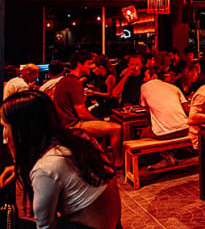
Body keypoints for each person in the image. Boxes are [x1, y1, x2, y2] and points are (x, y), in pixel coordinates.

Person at [0, 91, 121, 229]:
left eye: (5, 126)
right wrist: (20, 167)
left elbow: (45, 225)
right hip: (114, 224)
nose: (4, 135)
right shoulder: (76, 138)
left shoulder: (46, 167)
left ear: (22, 130)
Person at [53, 50, 122, 168]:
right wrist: (97, 121)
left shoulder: (66, 80)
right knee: (116, 128)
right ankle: (118, 162)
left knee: (104, 125)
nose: (91, 66)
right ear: (79, 64)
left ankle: (103, 160)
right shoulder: (74, 82)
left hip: (65, 124)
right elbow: (81, 113)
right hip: (74, 126)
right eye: (89, 63)